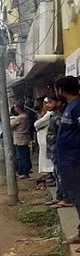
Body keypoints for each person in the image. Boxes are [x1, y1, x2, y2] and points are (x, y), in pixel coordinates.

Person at [53, 76, 80, 246]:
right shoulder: (71, 107)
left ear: (61, 90)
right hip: (68, 160)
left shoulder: (77, 107)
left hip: (74, 160)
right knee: (77, 199)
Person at [44, 94, 74, 209]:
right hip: (54, 149)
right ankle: (60, 196)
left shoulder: (61, 116)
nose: (47, 104)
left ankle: (66, 198)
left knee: (62, 175)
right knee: (57, 174)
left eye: (49, 102)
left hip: (59, 150)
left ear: (58, 102)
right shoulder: (55, 115)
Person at [34, 97, 55, 176]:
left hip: (47, 138)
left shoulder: (50, 114)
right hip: (43, 139)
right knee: (45, 158)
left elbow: (37, 124)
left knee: (48, 160)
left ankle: (52, 175)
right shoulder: (45, 114)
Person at [10, 102, 31, 179]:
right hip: (24, 138)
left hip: (20, 139)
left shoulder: (20, 118)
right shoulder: (25, 116)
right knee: (24, 155)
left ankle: (25, 172)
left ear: (18, 108)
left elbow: (11, 126)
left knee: (22, 156)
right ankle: (24, 170)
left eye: (15, 107)